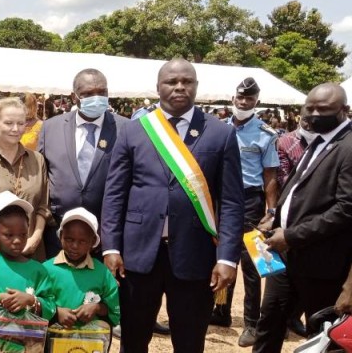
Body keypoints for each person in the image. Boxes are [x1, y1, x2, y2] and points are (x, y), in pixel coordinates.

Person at [101, 58, 244, 352]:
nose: (180, 87)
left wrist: (228, 258)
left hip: (196, 255)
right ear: (158, 87)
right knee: (133, 338)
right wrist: (111, 247)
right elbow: (115, 193)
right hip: (138, 256)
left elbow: (230, 201)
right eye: (172, 82)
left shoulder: (221, 133)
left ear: (196, 87)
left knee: (190, 342)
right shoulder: (133, 130)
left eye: (187, 82)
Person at [254, 83, 352, 353]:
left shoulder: (348, 147)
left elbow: (346, 209)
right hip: (286, 257)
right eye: (310, 107)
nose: (314, 114)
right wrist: (275, 217)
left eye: (323, 109)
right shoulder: (318, 141)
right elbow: (297, 188)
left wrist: (293, 235)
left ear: (344, 110)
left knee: (321, 333)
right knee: (269, 324)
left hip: (322, 264)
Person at [207, 77, 280, 347]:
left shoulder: (265, 133)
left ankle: (251, 323)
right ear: (233, 98)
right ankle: (222, 312)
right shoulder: (219, 128)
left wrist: (270, 210)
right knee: (221, 254)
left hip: (250, 199)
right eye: (240, 98)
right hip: (220, 198)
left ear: (256, 102)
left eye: (249, 99)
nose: (243, 102)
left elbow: (270, 175)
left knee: (251, 264)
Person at [38, 68, 129, 258]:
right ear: (74, 97)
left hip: (106, 234)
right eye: (88, 94)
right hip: (59, 232)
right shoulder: (50, 128)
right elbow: (41, 174)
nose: (96, 98)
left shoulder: (126, 129)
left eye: (101, 92)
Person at [0, 191, 55, 353]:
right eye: (8, 235)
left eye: (23, 234)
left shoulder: (38, 270)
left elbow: (51, 307)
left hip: (27, 347)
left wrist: (30, 300)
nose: (17, 240)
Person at [0, 97, 50, 260]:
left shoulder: (37, 159)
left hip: (31, 249)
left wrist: (35, 237)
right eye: (9, 123)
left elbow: (43, 206)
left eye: (21, 123)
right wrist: (0, 235)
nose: (15, 129)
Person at [43, 207, 120, 328]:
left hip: (89, 342)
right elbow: (36, 305)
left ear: (93, 241)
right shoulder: (46, 269)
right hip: (52, 341)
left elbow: (113, 311)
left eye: (82, 241)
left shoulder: (102, 273)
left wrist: (97, 308)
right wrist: (56, 312)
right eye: (69, 239)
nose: (74, 246)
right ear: (61, 236)